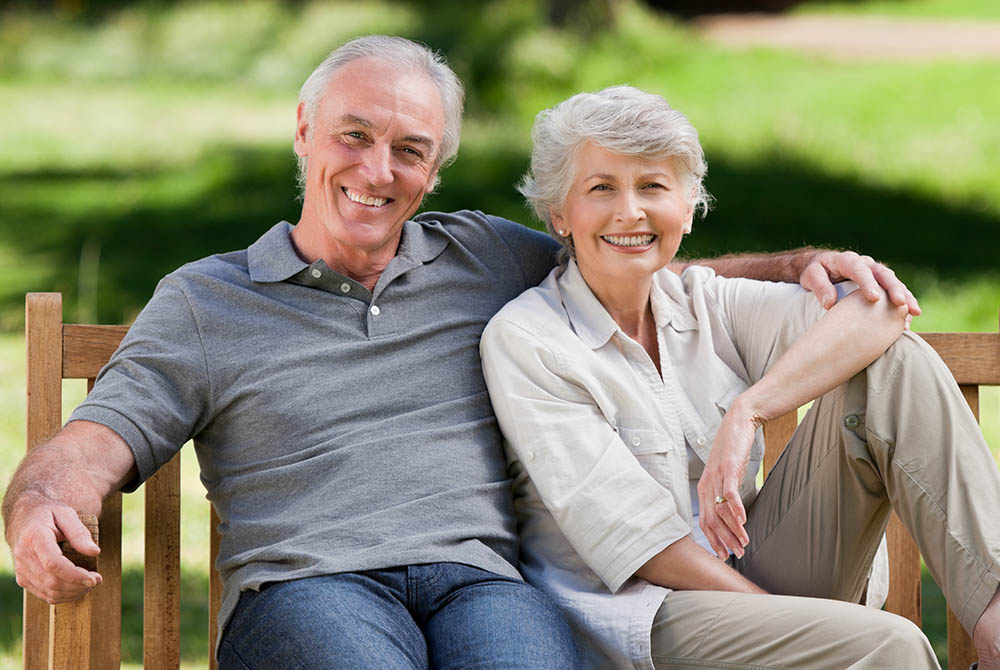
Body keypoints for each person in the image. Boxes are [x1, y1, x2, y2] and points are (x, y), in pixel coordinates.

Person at [3, 37, 921, 669]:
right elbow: (101, 435)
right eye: (354, 136)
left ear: (435, 168)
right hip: (308, 588)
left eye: (410, 149)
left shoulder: (482, 257)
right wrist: (43, 501)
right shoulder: (209, 300)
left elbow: (629, 254)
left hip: (482, 584)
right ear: (304, 131)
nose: (378, 170)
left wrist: (792, 266)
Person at [480, 84, 1000, 670]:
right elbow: (646, 549)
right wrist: (799, 628)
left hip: (752, 575)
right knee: (889, 643)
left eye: (653, 186)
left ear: (687, 208)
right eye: (602, 188)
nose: (630, 211)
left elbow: (877, 310)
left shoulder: (704, 302)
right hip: (647, 620)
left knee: (891, 366)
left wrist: (749, 409)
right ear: (559, 214)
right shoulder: (529, 340)